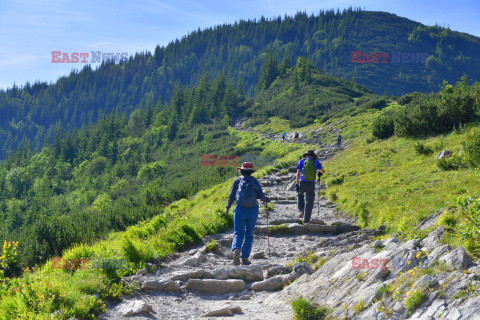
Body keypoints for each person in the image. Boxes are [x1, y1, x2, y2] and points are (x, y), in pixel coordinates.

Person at [226, 162, 269, 266]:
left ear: (241, 171)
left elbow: (231, 195)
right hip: (252, 210)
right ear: (251, 172)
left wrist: (227, 207)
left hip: (240, 209)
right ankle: (245, 257)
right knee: (249, 234)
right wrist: (266, 200)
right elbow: (261, 196)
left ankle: (236, 249)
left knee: (238, 233)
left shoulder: (237, 181)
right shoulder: (255, 181)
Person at [295, 150, 325, 223]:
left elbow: (298, 173)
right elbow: (323, 171)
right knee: (309, 202)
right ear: (313, 156)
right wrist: (319, 173)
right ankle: (306, 220)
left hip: (302, 182)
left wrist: (297, 184)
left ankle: (302, 210)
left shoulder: (301, 161)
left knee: (300, 195)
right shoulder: (316, 162)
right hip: (311, 184)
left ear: (306, 155)